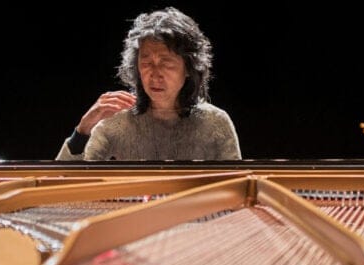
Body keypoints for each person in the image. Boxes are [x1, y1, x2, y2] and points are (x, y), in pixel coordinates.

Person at [55, 7, 242, 161]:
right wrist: (82, 130)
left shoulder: (216, 123)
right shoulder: (118, 123)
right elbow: (62, 186)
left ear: (188, 69)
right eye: (146, 63)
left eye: (165, 63)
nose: (154, 74)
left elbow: (237, 190)